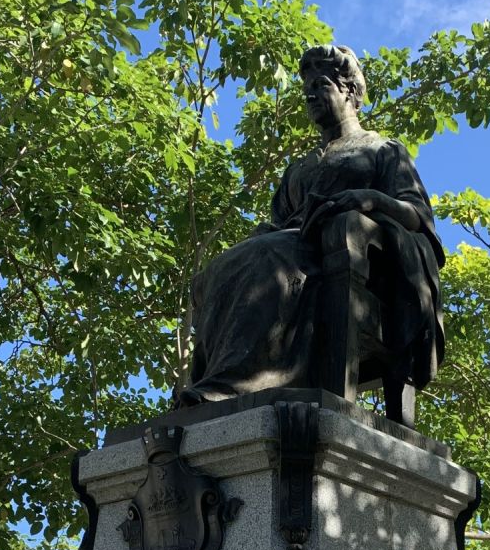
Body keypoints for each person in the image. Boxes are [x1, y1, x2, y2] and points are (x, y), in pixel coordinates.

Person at [179, 43, 444, 410]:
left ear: (349, 90)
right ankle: (216, 384)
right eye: (307, 89)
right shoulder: (299, 167)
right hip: (290, 247)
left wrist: (370, 200)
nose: (310, 95)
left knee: (268, 259)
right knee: (222, 267)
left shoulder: (383, 150)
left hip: (349, 264)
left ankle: (236, 386)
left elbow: (417, 217)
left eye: (321, 85)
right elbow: (276, 222)